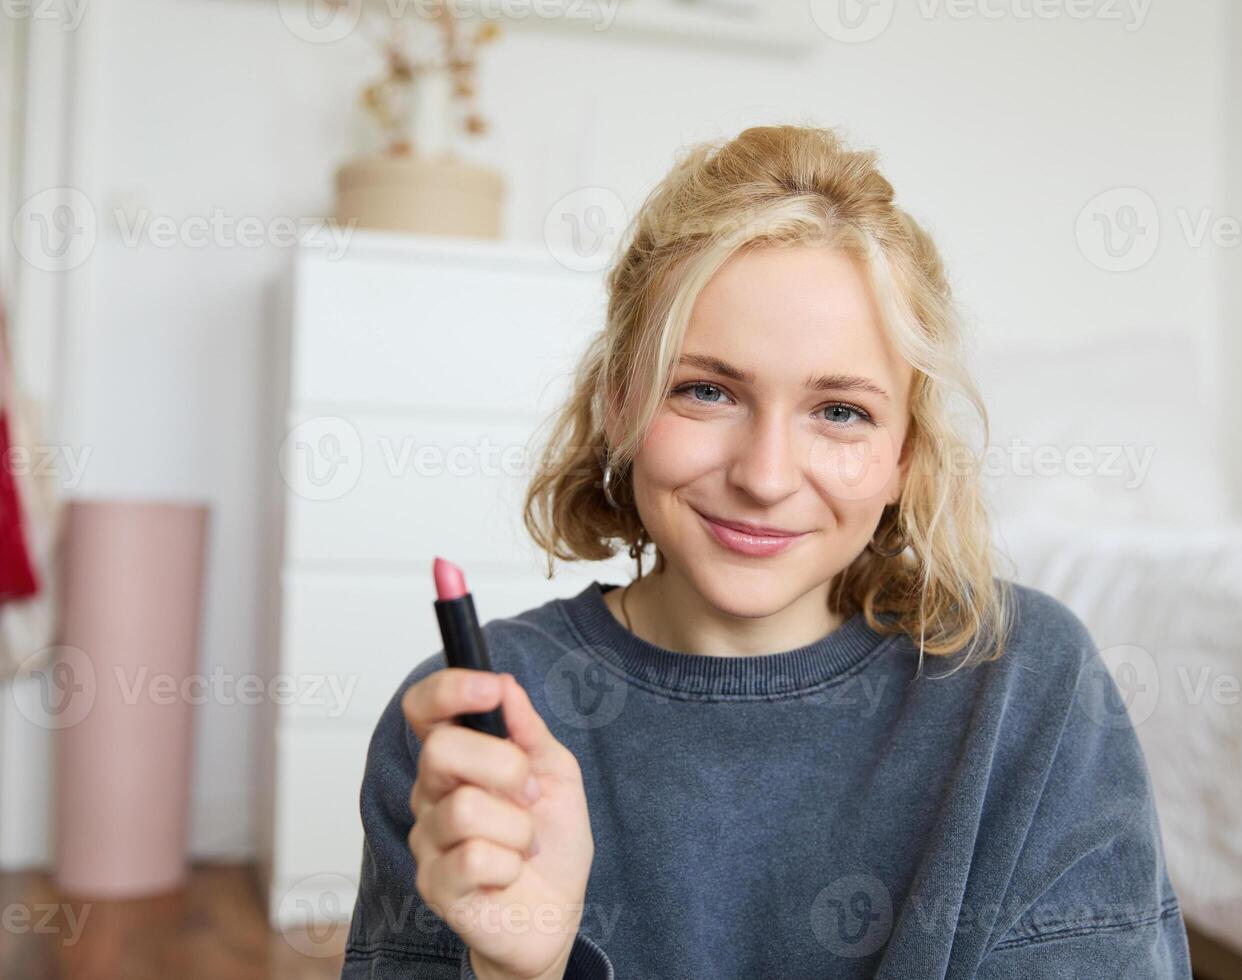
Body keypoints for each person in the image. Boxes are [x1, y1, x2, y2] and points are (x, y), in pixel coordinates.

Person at [341, 124, 1191, 979]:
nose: (765, 476)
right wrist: (519, 973)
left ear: (905, 454)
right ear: (618, 406)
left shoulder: (1027, 683)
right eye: (707, 391)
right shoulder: (467, 728)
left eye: (841, 411)